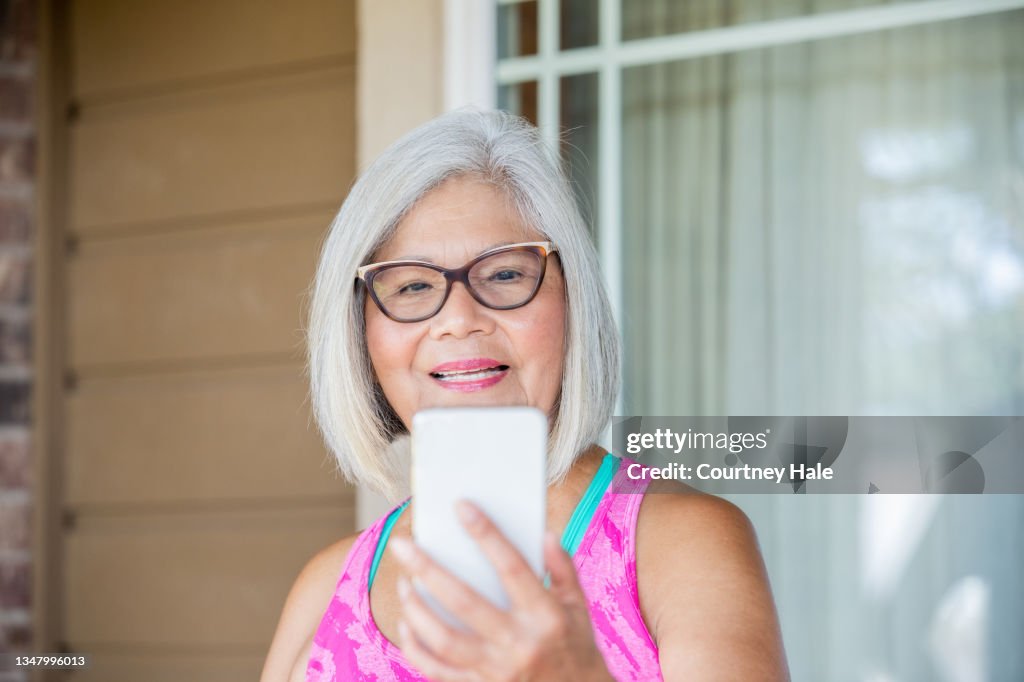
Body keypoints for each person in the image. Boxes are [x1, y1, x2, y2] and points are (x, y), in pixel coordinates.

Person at [260, 109, 789, 681]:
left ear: (572, 301)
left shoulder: (681, 543)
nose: (458, 320)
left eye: (507, 274)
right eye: (412, 285)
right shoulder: (325, 586)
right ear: (360, 334)